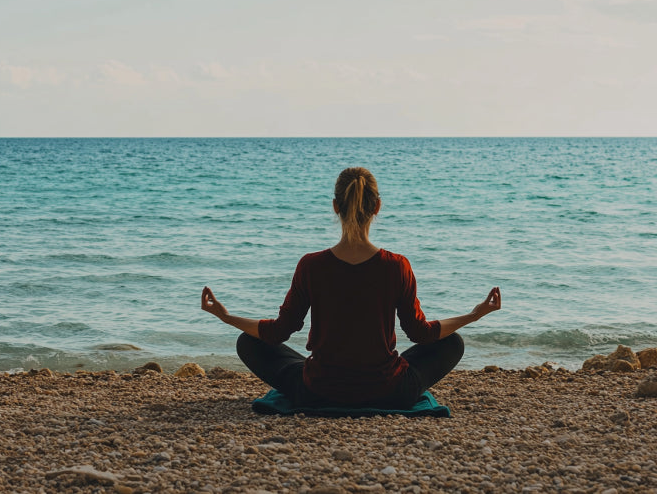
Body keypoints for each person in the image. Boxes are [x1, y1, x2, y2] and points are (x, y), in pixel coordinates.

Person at [201, 167, 501, 409]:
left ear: (335, 207)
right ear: (378, 207)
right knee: (453, 343)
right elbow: (421, 334)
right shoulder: (397, 265)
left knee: (248, 342)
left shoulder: (311, 265)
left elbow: (278, 332)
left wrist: (227, 318)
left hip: (318, 391)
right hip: (390, 392)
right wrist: (474, 315)